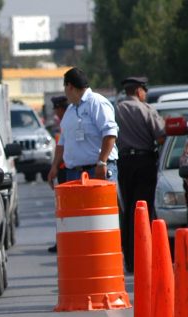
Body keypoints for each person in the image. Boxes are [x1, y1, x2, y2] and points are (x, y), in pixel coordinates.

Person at [115, 76, 165, 273]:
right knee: (143, 210)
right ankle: (144, 256)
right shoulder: (146, 109)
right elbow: (161, 136)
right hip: (144, 163)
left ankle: (130, 259)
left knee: (127, 210)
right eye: (144, 90)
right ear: (138, 91)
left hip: (124, 163)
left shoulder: (116, 110)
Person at [47, 67, 118, 187]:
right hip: (74, 174)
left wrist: (102, 162)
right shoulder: (70, 110)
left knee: (99, 205)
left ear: (70, 86)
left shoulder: (97, 103)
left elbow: (110, 133)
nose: (65, 92)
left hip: (97, 171)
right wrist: (54, 167)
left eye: (65, 88)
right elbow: (63, 142)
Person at [47, 95, 69, 253]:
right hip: (64, 169)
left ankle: (64, 240)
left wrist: (54, 167)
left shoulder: (67, 122)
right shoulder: (65, 122)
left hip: (67, 170)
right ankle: (62, 239)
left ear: (61, 108)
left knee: (65, 208)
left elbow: (62, 148)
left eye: (56, 109)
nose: (55, 113)